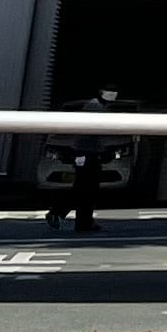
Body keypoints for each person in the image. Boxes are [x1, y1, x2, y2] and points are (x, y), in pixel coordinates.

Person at [46, 87, 127, 235]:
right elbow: (98, 131)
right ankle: (63, 214)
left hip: (88, 153)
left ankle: (81, 221)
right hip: (87, 153)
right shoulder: (95, 106)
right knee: (85, 188)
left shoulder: (97, 106)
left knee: (85, 188)